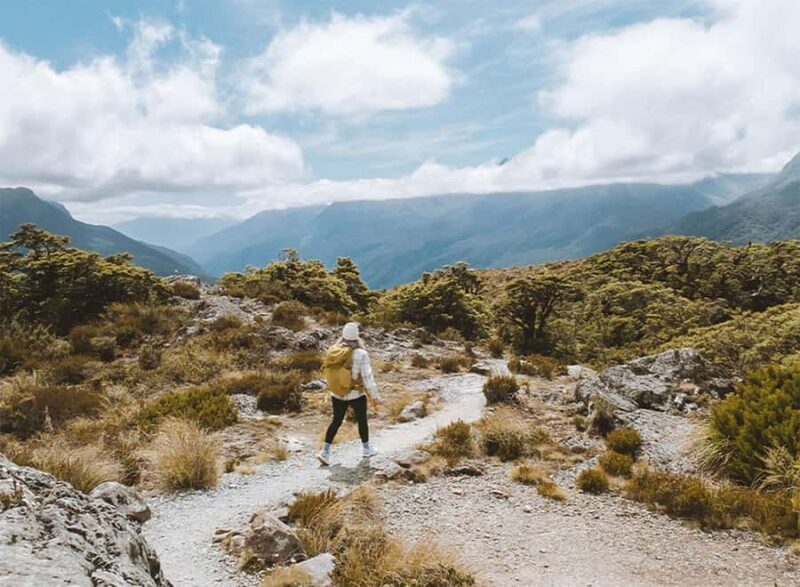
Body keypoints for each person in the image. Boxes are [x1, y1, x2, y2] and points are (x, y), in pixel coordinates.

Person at [318, 322, 381, 465]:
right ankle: (366, 449)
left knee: (336, 421)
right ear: (357, 336)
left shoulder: (333, 350)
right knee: (362, 420)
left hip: (337, 393)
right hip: (356, 394)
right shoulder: (361, 353)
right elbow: (367, 377)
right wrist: (375, 395)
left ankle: (325, 452)